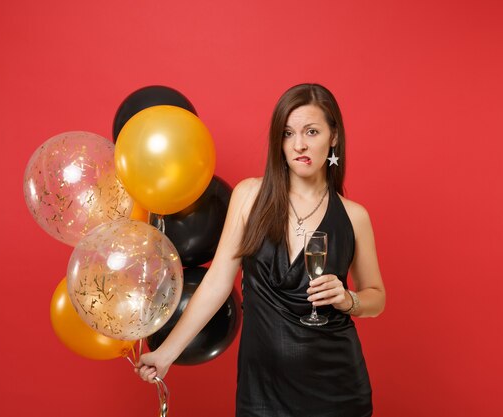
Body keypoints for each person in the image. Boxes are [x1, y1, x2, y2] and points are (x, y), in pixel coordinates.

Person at [136, 83, 386, 417]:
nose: (299, 144)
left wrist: (348, 299)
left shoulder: (354, 216)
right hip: (263, 390)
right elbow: (216, 283)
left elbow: (376, 297)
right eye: (288, 133)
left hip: (337, 389)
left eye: (311, 131)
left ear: (334, 136)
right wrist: (166, 354)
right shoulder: (249, 197)